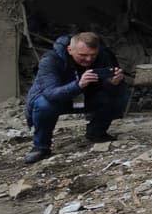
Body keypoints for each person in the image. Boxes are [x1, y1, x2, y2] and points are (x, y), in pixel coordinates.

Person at [24, 31, 128, 163]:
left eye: (93, 55)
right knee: (44, 104)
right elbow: (51, 93)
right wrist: (78, 85)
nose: (89, 59)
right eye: (83, 55)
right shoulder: (50, 60)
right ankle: (41, 147)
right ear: (70, 50)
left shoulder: (104, 56)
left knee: (119, 95)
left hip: (87, 97)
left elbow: (111, 86)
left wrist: (112, 83)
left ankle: (96, 133)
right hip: (58, 100)